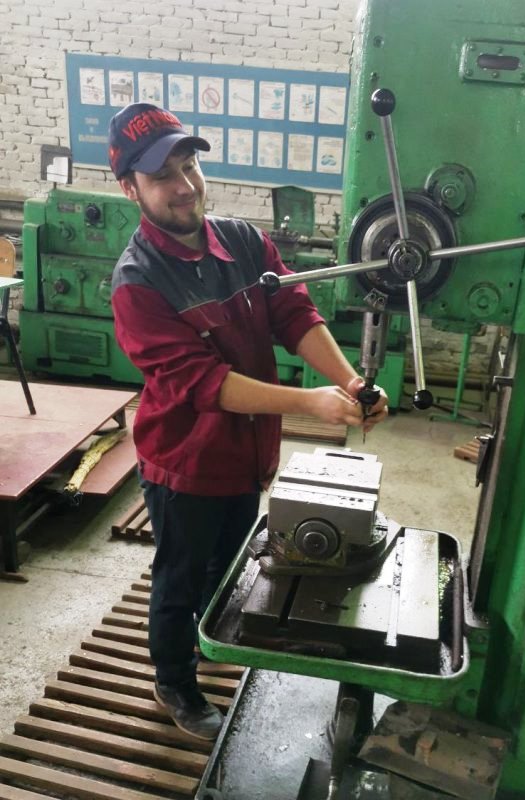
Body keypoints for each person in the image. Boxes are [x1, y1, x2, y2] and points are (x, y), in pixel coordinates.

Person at [108, 103, 388, 742]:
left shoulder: (241, 241)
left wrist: (349, 381)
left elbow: (294, 314)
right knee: (179, 579)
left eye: (190, 166)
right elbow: (204, 384)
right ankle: (174, 682)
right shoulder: (138, 285)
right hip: (186, 465)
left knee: (228, 565)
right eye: (162, 176)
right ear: (130, 189)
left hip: (248, 454)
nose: (185, 186)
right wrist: (310, 403)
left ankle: (208, 642)